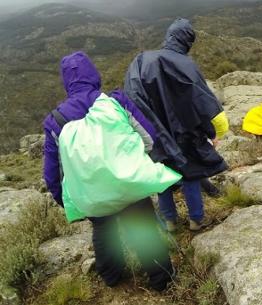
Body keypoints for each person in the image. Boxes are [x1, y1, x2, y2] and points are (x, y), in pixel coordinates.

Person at [42, 51, 175, 291]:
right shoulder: (116, 101)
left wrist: (65, 200)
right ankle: (161, 278)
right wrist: (132, 159)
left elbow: (52, 172)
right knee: (141, 225)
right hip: (128, 183)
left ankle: (113, 277)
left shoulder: (55, 121)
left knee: (103, 229)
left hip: (92, 192)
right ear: (94, 74)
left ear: (66, 82)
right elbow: (150, 138)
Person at [124, 18, 229, 232]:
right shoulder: (187, 64)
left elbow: (132, 96)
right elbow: (202, 100)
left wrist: (144, 129)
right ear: (187, 41)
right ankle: (196, 220)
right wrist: (211, 132)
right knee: (190, 173)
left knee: (161, 177)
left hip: (154, 133)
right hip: (186, 133)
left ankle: (169, 222)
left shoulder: (142, 60)